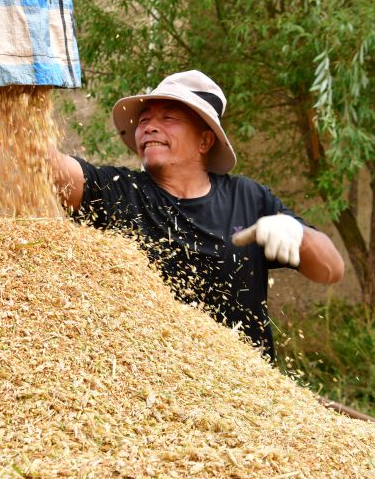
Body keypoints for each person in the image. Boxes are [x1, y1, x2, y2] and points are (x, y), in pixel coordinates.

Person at [49, 70, 345, 360]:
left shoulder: (247, 198)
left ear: (205, 141)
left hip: (246, 391)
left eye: (168, 117)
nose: (150, 127)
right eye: (144, 120)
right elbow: (47, 166)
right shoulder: (121, 192)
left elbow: (331, 270)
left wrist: (298, 234)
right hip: (150, 391)